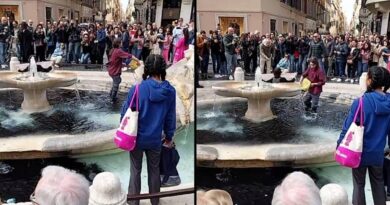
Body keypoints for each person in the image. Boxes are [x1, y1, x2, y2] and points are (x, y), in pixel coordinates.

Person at [121, 54, 176, 205]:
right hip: (156, 140)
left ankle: (134, 203)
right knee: (154, 171)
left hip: (136, 139)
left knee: (135, 171)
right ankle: (155, 202)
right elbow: (170, 117)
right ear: (162, 69)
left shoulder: (137, 89)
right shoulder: (170, 91)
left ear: (148, 69)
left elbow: (125, 113)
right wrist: (169, 137)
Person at [337, 66, 390, 205]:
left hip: (359, 152)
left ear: (370, 80)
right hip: (378, 153)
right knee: (379, 183)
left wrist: (339, 145)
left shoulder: (360, 102)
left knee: (359, 185)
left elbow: (347, 127)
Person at [107, 38, 138, 103]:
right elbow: (128, 55)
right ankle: (113, 99)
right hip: (114, 71)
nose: (121, 43)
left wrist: (122, 64)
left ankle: (111, 94)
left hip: (111, 69)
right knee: (117, 82)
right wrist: (136, 59)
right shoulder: (118, 50)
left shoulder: (113, 50)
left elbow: (115, 60)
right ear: (118, 44)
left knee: (116, 81)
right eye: (120, 42)